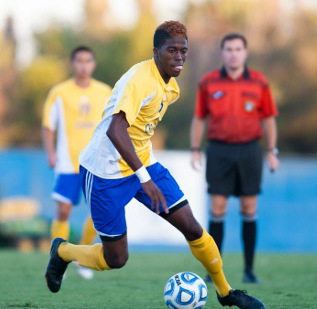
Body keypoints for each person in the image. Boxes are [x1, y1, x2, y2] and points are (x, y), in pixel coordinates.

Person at [45, 21, 265, 309]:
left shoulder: (170, 87)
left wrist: (146, 173)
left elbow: (140, 130)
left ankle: (226, 293)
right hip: (105, 173)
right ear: (155, 52)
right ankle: (63, 251)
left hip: (144, 164)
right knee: (117, 259)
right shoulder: (141, 80)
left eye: (183, 51)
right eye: (171, 50)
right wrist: (144, 178)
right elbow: (115, 130)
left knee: (193, 229)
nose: (179, 57)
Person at [190, 33, 279, 284]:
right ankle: (213, 269)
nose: (233, 53)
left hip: (250, 150)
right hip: (219, 150)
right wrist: (195, 148)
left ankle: (249, 270)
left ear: (245, 53)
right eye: (229, 49)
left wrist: (272, 150)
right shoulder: (209, 82)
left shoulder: (259, 82)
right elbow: (199, 118)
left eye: (238, 49)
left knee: (248, 208)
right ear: (222, 53)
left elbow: (269, 118)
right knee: (217, 208)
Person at [42, 46, 112, 279]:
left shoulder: (105, 91)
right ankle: (56, 259)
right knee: (63, 210)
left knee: (97, 213)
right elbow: (48, 126)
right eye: (79, 61)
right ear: (73, 64)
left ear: (93, 64)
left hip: (96, 162)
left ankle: (81, 257)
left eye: (88, 61)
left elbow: (114, 125)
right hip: (67, 162)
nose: (84, 65)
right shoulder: (59, 92)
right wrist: (51, 152)